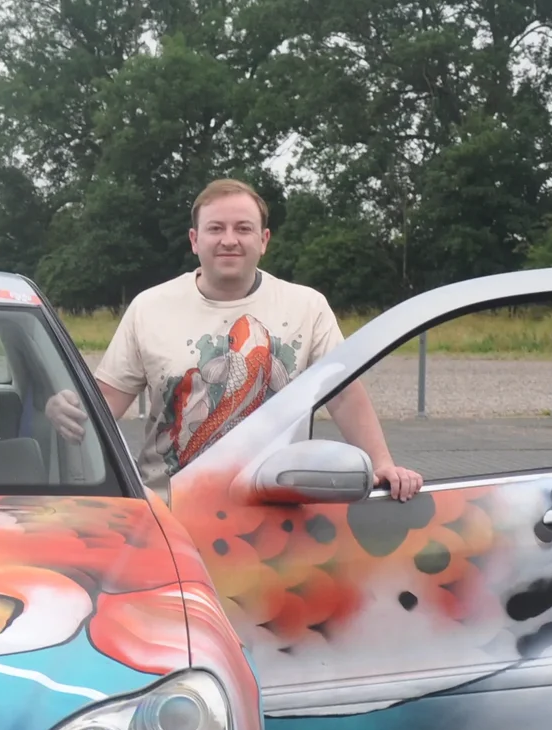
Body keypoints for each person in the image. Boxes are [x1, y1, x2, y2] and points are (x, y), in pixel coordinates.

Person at [46, 179, 423, 500]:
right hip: (169, 509)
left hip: (274, 509)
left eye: (243, 228)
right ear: (194, 240)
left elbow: (343, 393)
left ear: (264, 239)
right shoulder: (150, 307)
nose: (229, 240)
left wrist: (382, 463)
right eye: (215, 229)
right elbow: (103, 404)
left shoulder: (308, 306)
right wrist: (62, 409)